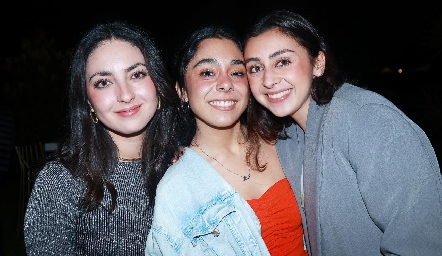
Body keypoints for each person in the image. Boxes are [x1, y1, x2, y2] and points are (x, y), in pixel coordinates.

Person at [243, 9, 442, 256]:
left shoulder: (367, 119)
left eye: (282, 61)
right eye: (255, 68)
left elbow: (422, 242)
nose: (268, 79)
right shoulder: (290, 139)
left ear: (318, 64)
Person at [145, 24, 308, 255]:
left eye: (237, 72)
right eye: (207, 73)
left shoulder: (287, 141)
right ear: (181, 90)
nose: (225, 83)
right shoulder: (177, 190)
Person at [23, 21, 181, 255]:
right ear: (88, 102)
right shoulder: (61, 181)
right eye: (104, 82)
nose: (125, 95)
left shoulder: (183, 165)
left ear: (157, 82)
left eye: (137, 74)